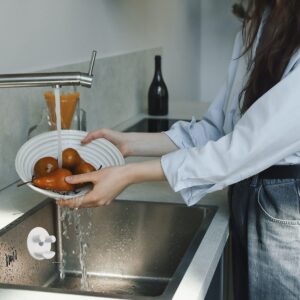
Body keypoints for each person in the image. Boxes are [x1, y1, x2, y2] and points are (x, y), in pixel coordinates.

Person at [57, 1, 300, 299]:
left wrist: (129, 174)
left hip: (284, 205)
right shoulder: (257, 20)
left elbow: (239, 151)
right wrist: (131, 144)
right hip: (248, 192)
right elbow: (219, 129)